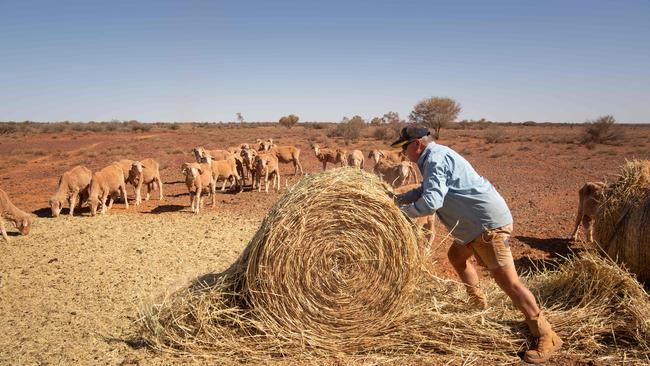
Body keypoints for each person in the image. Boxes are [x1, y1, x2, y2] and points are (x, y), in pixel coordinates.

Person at [391, 125, 562, 364]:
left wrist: (399, 214)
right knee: (457, 257)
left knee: (509, 283)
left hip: (486, 226)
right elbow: (424, 189)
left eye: (404, 147)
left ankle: (546, 334)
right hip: (472, 227)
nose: (403, 153)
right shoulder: (435, 156)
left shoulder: (435, 159)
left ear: (417, 144)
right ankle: (478, 303)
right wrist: (396, 199)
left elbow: (431, 202)